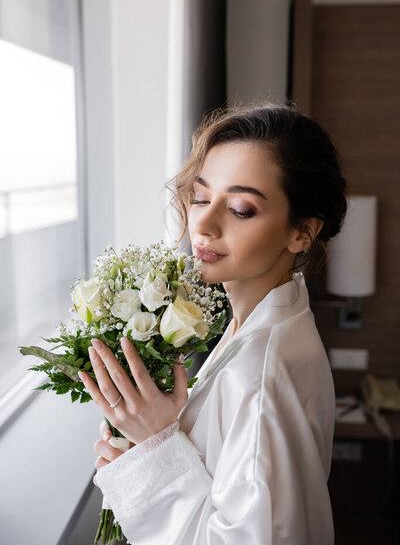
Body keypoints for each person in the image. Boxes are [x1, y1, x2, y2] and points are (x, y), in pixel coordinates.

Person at [87, 101, 347, 544]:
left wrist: (157, 443)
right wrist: (140, 462)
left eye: (241, 209)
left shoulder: (262, 374)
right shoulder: (258, 323)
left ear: (301, 232)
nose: (202, 223)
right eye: (202, 196)